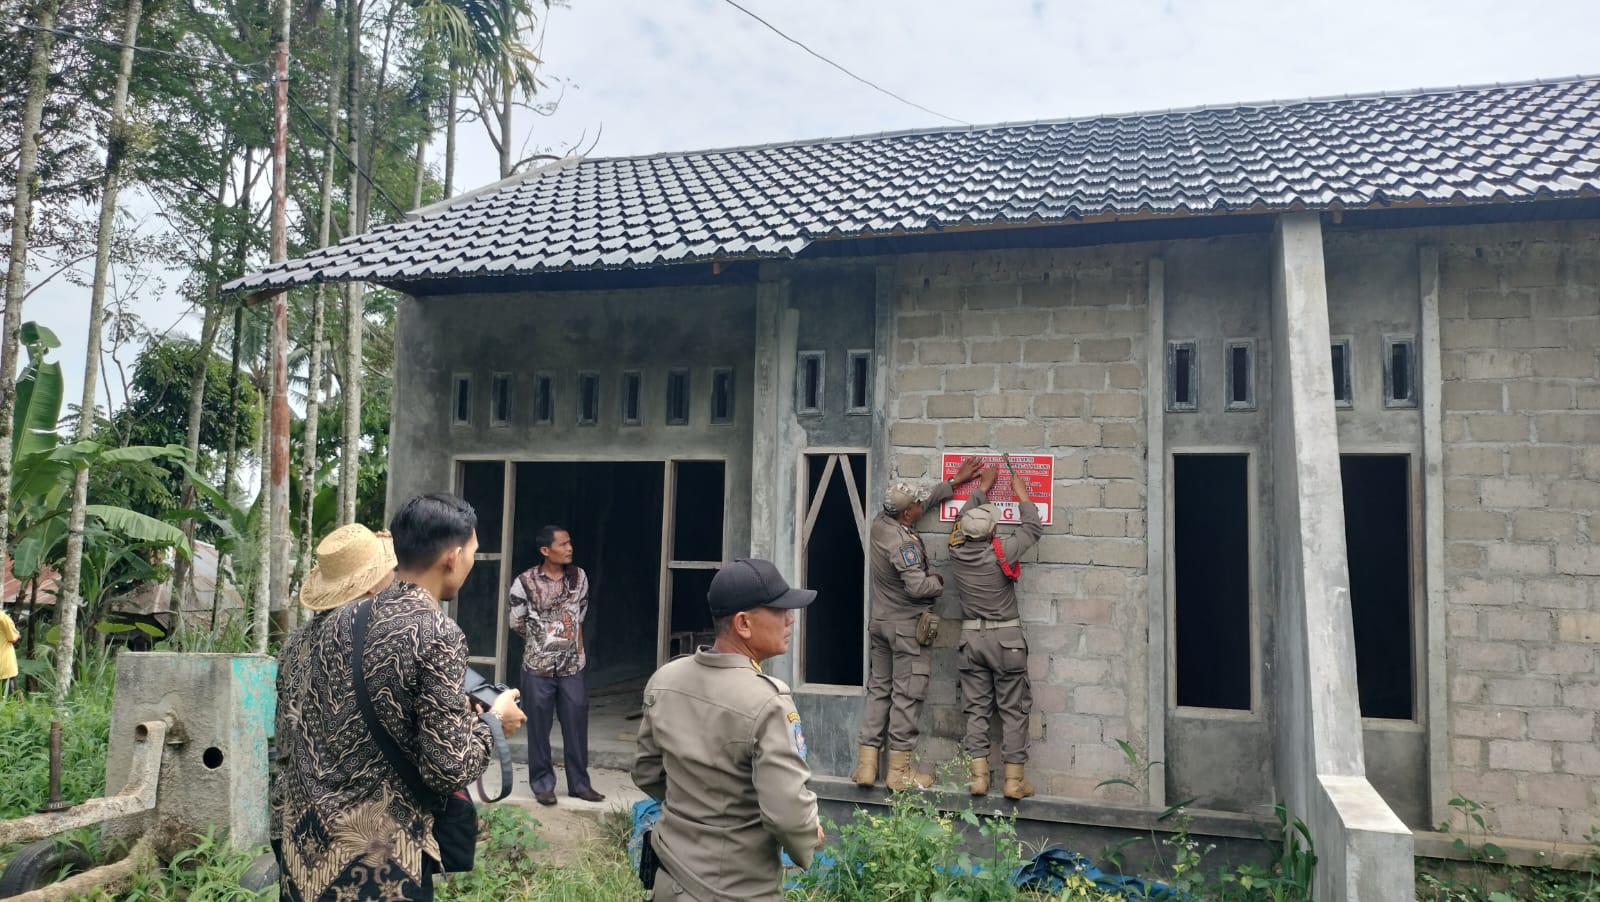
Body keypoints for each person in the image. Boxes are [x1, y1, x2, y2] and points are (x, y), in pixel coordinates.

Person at [273, 496, 526, 901]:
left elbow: (335, 729)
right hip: (379, 856)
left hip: (306, 846)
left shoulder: (321, 630)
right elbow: (447, 769)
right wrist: (494, 722)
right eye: (472, 553)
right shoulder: (435, 631)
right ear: (453, 556)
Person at [632, 558, 823, 902]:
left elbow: (647, 772)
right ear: (743, 623)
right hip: (737, 889)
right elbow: (787, 815)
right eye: (779, 610)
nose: (790, 619)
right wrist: (809, 838)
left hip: (669, 878)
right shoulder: (768, 702)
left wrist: (696, 809)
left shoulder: (665, 680)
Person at [852, 455, 985, 791]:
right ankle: (898, 773)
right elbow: (916, 587)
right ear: (907, 513)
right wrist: (936, 581)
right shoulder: (903, 543)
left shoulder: (881, 523)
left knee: (879, 691)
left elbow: (921, 502)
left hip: (881, 625)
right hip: (906, 630)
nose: (921, 507)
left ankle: (867, 766)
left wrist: (953, 483)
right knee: (907, 696)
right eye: (916, 505)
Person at [948, 463, 1044, 799]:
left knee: (976, 710)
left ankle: (978, 779)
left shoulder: (956, 552)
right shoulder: (1002, 551)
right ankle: (1014, 782)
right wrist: (1021, 494)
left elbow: (961, 521)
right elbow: (1032, 528)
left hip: (972, 643)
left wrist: (981, 489)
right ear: (992, 532)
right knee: (1013, 710)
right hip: (1006, 642)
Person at [508, 524, 604, 805]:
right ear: (545, 550)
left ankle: (580, 784)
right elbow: (516, 621)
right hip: (537, 668)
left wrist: (564, 640)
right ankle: (542, 785)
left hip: (573, 666)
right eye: (562, 544)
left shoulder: (579, 577)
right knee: (538, 728)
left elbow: (580, 612)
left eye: (570, 542)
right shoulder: (525, 581)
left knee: (576, 725)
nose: (569, 548)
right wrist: (543, 640)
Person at [0, 601, 19, 697]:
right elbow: (12, 638)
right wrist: (17, 634)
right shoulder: (3, 618)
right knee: (12, 697)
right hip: (4, 663)